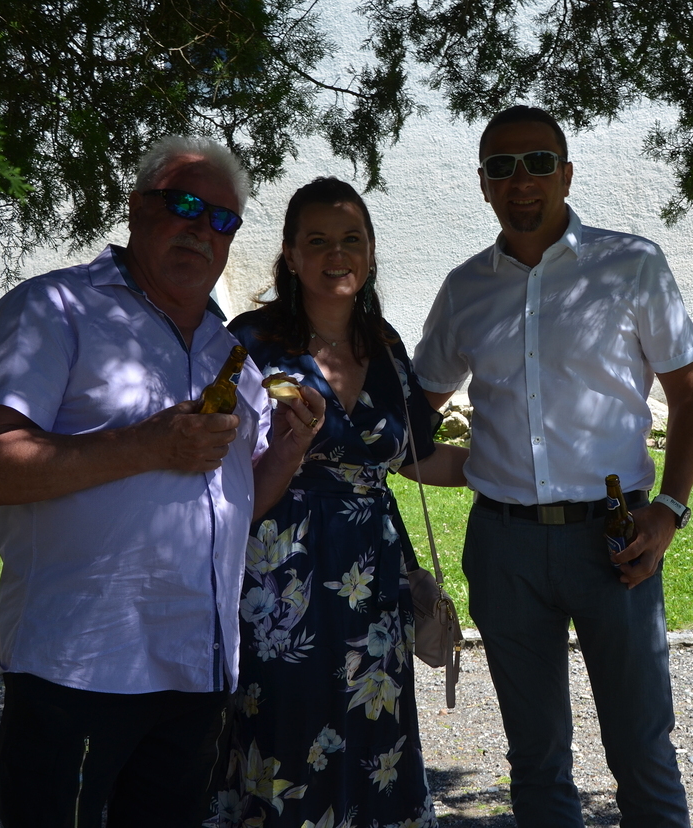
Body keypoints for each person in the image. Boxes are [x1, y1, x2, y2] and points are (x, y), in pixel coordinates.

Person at [0, 135, 326, 827]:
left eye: (222, 219)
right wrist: (144, 445)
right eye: (183, 205)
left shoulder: (230, 355)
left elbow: (234, 506)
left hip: (196, 671)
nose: (202, 228)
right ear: (136, 207)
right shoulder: (53, 309)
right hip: (78, 668)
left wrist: (287, 452)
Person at [413, 105, 693, 827]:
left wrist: (669, 511)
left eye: (539, 162)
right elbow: (411, 414)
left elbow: (692, 397)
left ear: (567, 174)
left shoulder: (632, 264)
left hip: (616, 541)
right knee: (536, 757)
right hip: (504, 547)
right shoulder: (465, 288)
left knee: (642, 748)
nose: (521, 179)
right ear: (483, 184)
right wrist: (457, 463)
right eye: (502, 166)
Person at [207, 177, 468, 828]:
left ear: (371, 252)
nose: (336, 254)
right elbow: (214, 464)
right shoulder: (250, 341)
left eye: (351, 239)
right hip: (278, 571)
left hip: (373, 573)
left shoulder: (384, 345)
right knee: (282, 724)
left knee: (373, 727)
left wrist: (518, 472)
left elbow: (413, 456)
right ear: (291, 255)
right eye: (318, 240)